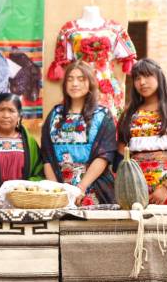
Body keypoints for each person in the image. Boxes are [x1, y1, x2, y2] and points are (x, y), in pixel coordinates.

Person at [42, 61, 117, 206]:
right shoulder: (55, 114)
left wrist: (81, 187)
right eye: (70, 79)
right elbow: (46, 156)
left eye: (81, 79)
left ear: (90, 83)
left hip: (92, 187)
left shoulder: (102, 115)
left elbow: (104, 155)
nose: (74, 84)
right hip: (58, 187)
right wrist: (56, 190)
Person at [117, 58, 167, 204]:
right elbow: (121, 153)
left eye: (147, 76)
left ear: (159, 77)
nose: (142, 82)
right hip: (135, 192)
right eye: (137, 78)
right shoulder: (129, 113)